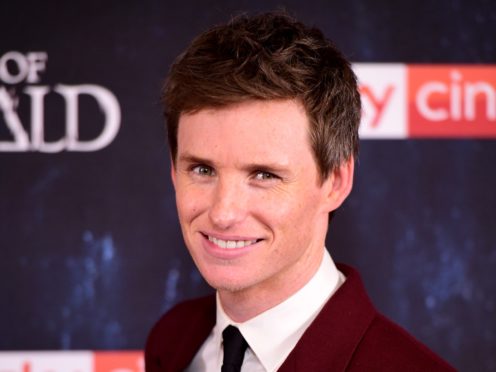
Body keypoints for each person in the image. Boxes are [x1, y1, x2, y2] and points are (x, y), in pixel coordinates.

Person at [145, 12, 454, 372]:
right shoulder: (172, 339)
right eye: (202, 169)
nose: (223, 212)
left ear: (335, 182)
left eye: (263, 175)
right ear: (173, 169)